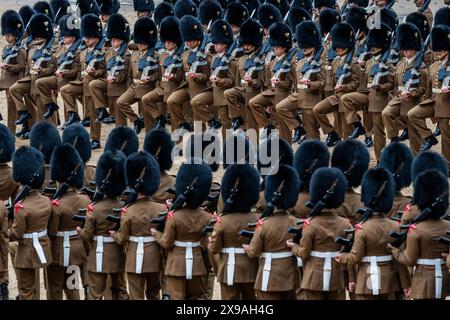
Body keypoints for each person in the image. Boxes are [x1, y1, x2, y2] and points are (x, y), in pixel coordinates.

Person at [336, 167, 411, 300]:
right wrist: (405, 283)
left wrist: (342, 258)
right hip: (390, 280)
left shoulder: (361, 228)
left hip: (366, 279)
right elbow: (399, 260)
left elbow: (355, 258)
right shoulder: (396, 226)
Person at [287, 167, 352, 300]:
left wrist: (293, 246)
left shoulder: (310, 224)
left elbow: (304, 253)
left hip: (313, 277)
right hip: (337, 276)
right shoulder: (345, 224)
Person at [151, 161, 213, 300]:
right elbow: (206, 244)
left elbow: (166, 242)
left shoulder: (174, 216)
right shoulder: (206, 217)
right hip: (197, 265)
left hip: (176, 266)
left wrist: (157, 234)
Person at [388, 168, 450, 299]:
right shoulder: (448, 226)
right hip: (444, 278)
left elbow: (409, 260)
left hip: (422, 280)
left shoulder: (415, 230)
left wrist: (394, 250)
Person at [244, 165, 300, 300]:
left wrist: (247, 248)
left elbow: (253, 252)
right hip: (291, 277)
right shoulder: (298, 223)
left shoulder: (263, 225)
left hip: (268, 278)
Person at [78, 150, 128, 300]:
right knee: (120, 290)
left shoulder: (94, 208)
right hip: (118, 255)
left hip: (99, 254)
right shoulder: (124, 206)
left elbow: (87, 235)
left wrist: (79, 230)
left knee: (95, 293)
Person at [208, 164, 260, 299]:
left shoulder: (222, 221)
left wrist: (210, 242)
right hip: (251, 268)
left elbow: (213, 249)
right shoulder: (258, 219)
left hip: (228, 269)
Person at [46, 144, 91, 300]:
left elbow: (52, 231)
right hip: (76, 251)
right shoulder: (85, 200)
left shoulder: (57, 205)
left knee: (55, 287)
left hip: (58, 252)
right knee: (72, 286)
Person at [10, 146, 52, 300]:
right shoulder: (47, 201)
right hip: (44, 248)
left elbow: (16, 234)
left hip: (27, 253)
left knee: (26, 291)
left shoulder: (21, 207)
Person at [59, 14, 106, 150]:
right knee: (65, 90)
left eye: (90, 38)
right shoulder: (83, 51)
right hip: (83, 82)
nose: (86, 40)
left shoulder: (102, 52)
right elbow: (79, 69)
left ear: (97, 38)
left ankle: (95, 139)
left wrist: (94, 72)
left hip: (94, 85)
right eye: (86, 37)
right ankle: (74, 115)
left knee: (93, 113)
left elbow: (103, 71)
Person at [381, 22, 428, 154]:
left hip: (412, 101)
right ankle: (394, 138)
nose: (406, 51)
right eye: (404, 49)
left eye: (408, 49)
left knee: (414, 136)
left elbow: (422, 89)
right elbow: (395, 84)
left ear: (414, 49)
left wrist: (412, 94)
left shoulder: (421, 67)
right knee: (386, 113)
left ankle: (416, 158)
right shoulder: (400, 64)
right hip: (399, 98)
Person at [312, 22, 360, 146]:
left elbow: (356, 83)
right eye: (337, 47)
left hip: (346, 99)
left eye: (341, 47)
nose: (338, 49)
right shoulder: (335, 62)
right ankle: (331, 133)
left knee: (346, 131)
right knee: (317, 110)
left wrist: (344, 87)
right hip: (335, 97)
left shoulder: (353, 63)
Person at [407, 25, 450, 162]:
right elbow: (428, 88)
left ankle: (448, 165)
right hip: (433, 101)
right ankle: (428, 137)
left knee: (446, 138)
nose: (438, 52)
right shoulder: (434, 66)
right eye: (437, 49)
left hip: (447, 105)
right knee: (413, 114)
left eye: (442, 49)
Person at [276, 20, 324, 143]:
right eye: (304, 46)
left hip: (311, 100)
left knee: (312, 135)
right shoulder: (301, 62)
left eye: (308, 46)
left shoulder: (319, 62)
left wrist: (311, 84)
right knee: (281, 107)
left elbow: (323, 83)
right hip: (298, 96)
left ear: (314, 46)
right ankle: (297, 128)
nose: (304, 48)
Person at [249, 21, 295, 141]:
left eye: (278, 47)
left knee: (283, 127)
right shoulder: (273, 61)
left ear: (284, 48)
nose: (275, 49)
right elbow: (269, 82)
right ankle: (266, 125)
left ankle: (286, 151)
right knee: (253, 103)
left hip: (283, 95)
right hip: (272, 93)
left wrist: (279, 82)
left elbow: (289, 84)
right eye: (274, 47)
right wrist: (268, 101)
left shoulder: (289, 62)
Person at [191, 19, 238, 132]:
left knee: (226, 125)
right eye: (215, 43)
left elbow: (232, 81)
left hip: (223, 94)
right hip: (213, 90)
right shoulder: (215, 58)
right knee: (195, 102)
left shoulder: (231, 61)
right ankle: (212, 121)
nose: (215, 46)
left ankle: (228, 148)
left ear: (225, 44)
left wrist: (219, 81)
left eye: (218, 44)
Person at [35, 13, 82, 125]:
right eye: (64, 36)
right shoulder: (61, 48)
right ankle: (51, 104)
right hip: (58, 78)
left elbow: (74, 71)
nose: (64, 38)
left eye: (67, 37)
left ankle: (71, 121)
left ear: (73, 37)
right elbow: (54, 62)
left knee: (68, 98)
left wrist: (64, 73)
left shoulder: (77, 51)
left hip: (68, 79)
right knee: (40, 83)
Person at [166, 15, 210, 132]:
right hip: (186, 87)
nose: (189, 43)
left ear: (198, 39)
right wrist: (172, 76)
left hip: (199, 88)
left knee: (198, 121)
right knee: (172, 101)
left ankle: (201, 145)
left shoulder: (205, 54)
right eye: (188, 40)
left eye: (192, 40)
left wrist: (197, 76)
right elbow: (181, 74)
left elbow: (207, 76)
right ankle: (183, 124)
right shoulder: (184, 54)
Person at [115, 17, 158, 133]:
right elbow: (129, 74)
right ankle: (136, 121)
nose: (140, 44)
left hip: (148, 88)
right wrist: (129, 86)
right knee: (120, 102)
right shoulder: (134, 54)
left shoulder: (155, 55)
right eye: (139, 42)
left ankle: (151, 139)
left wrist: (151, 78)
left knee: (149, 119)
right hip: (134, 87)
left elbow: (158, 73)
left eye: (143, 42)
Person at [223, 18, 265, 131]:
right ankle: (236, 117)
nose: (245, 47)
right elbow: (237, 80)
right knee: (228, 93)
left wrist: (252, 82)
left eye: (249, 45)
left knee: (252, 126)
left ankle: (254, 148)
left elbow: (261, 82)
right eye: (244, 44)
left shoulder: (261, 59)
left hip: (254, 93)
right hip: (242, 92)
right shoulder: (241, 59)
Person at [0, 10, 26, 133]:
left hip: (13, 82)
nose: (7, 37)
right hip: (4, 80)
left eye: (9, 35)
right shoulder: (6, 49)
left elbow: (22, 66)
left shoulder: (20, 50)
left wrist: (8, 67)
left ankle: (11, 131)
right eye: (6, 34)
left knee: (11, 109)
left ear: (16, 35)